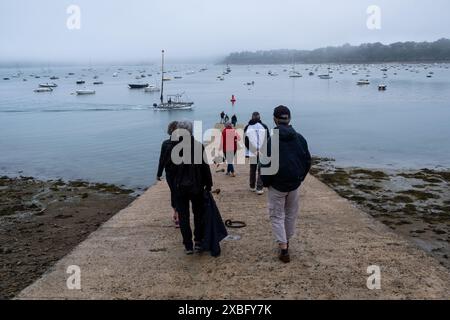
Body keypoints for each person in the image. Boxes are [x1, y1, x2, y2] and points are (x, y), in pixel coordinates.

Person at [261, 106, 311, 263]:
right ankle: (286, 241)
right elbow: (307, 161)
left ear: (275, 119)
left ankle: (284, 248)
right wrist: (300, 178)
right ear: (289, 119)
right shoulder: (300, 138)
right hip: (294, 184)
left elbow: (265, 165)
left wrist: (267, 183)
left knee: (277, 216)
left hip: (277, 185)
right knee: (290, 214)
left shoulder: (271, 140)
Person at [173, 121, 213, 255]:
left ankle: (188, 246)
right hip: (196, 186)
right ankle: (198, 242)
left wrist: (173, 186)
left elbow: (170, 170)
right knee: (198, 214)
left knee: (183, 217)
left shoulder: (174, 146)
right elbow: (204, 167)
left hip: (180, 188)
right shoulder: (197, 146)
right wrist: (209, 183)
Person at [156, 121, 180, 228]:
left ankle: (176, 212)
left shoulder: (165, 144)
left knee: (174, 192)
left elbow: (162, 160)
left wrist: (159, 173)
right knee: (179, 193)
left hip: (169, 173)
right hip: (181, 172)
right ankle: (178, 214)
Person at [244, 112, 269, 195]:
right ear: (259, 118)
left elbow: (246, 141)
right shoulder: (264, 126)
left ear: (252, 117)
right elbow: (267, 140)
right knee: (261, 170)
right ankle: (259, 188)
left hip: (252, 152)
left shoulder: (247, 127)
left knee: (253, 169)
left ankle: (252, 186)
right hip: (262, 151)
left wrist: (254, 150)